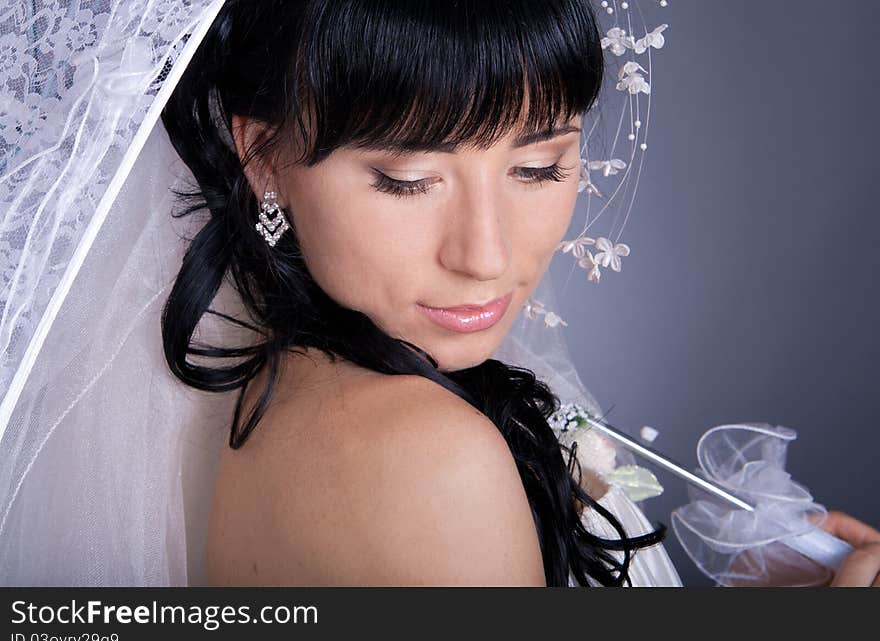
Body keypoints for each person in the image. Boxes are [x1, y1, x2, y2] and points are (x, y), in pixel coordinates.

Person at [1, 0, 877, 587]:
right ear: (263, 157)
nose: (486, 254)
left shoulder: (301, 397)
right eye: (409, 180)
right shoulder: (419, 456)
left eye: (539, 166)